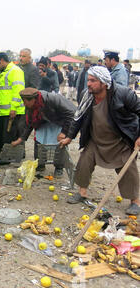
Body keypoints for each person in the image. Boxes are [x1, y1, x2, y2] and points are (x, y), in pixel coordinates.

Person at [60, 67, 140, 216]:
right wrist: (69, 137)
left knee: (129, 170)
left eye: (93, 81)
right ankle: (82, 193)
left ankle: (135, 202)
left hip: (119, 141)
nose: (88, 84)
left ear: (104, 83)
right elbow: (78, 117)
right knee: (84, 163)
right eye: (88, 80)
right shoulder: (87, 95)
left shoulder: (123, 94)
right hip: (96, 140)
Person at [11, 87, 76, 177]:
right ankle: (40, 164)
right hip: (44, 121)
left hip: (60, 121)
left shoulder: (53, 99)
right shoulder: (31, 106)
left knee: (59, 143)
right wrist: (21, 138)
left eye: (25, 101)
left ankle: (59, 167)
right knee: (39, 140)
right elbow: (30, 123)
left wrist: (64, 132)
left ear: (33, 99)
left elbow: (71, 114)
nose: (24, 104)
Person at [0, 52, 25, 164]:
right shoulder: (5, 72)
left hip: (11, 111)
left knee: (8, 136)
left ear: (1, 60)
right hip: (2, 111)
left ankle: (7, 158)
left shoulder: (15, 71)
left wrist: (13, 108)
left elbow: (18, 91)